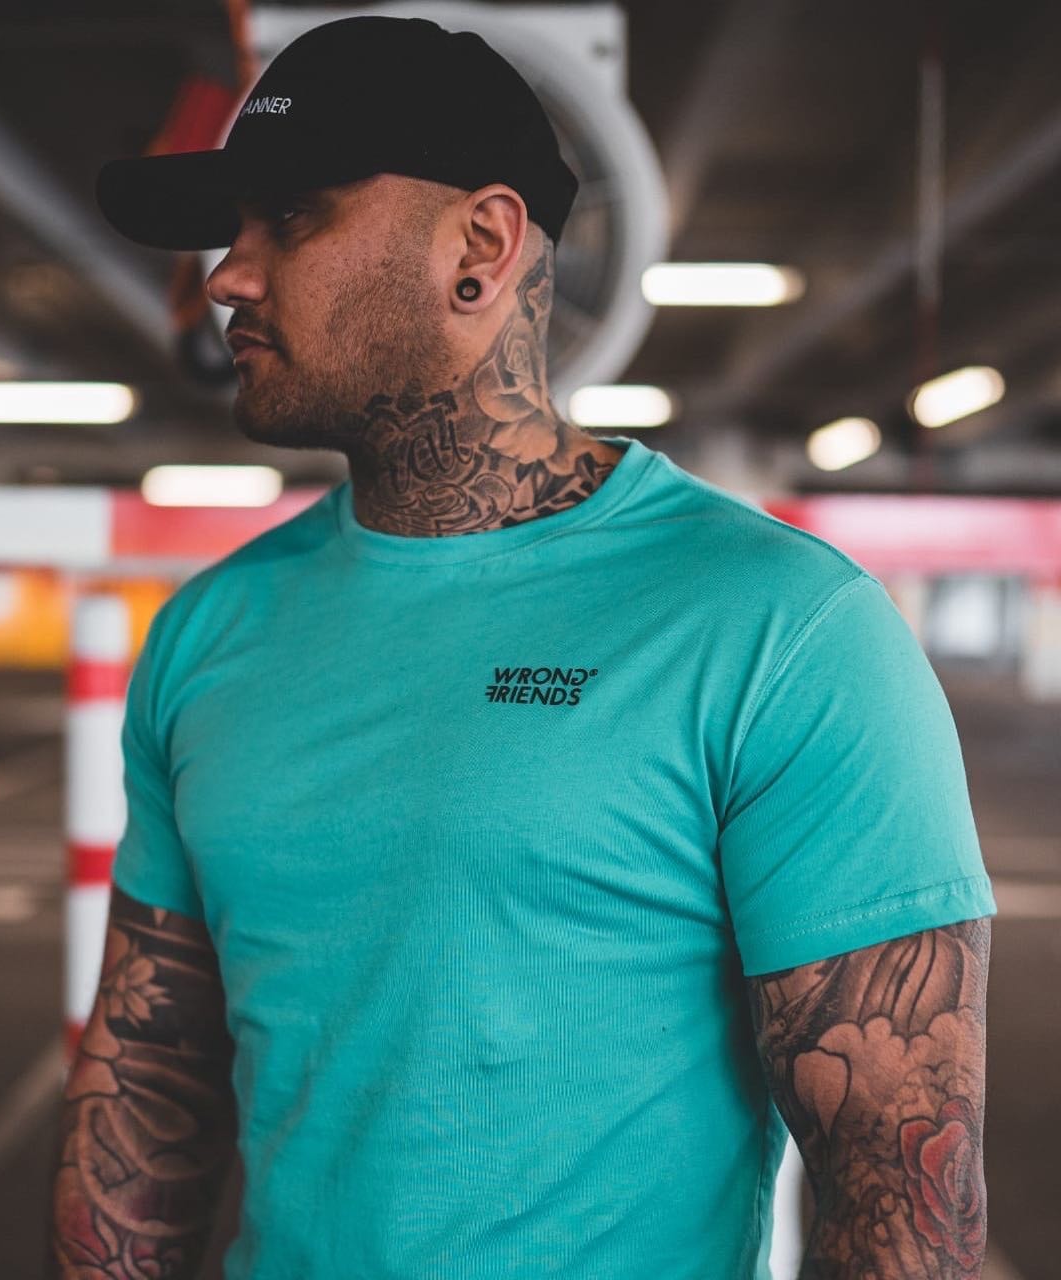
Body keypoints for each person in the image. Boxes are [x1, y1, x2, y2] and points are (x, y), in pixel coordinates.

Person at [51, 15, 996, 1279]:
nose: (228, 274)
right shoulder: (207, 631)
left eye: (288, 217)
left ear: (480, 247)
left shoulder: (777, 628)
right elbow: (148, 1080)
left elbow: (897, 1191)